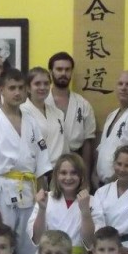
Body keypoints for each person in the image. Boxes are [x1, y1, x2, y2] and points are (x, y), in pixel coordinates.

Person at [0, 68, 52, 254]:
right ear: (1, 89)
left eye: (21, 88)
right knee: (1, 245)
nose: (17, 92)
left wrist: (41, 199)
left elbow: (42, 165)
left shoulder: (31, 122)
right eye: (12, 88)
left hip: (29, 191)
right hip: (2, 192)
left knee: (30, 246)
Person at [28, 153, 94, 254]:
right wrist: (42, 209)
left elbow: (90, 243)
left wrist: (85, 212)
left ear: (81, 176)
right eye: (63, 173)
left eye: (74, 173)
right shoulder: (45, 198)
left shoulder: (92, 201)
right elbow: (37, 239)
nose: (68, 178)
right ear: (56, 175)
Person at [45, 52, 96, 182]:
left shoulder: (83, 104)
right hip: (47, 165)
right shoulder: (41, 102)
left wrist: (85, 177)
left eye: (67, 69)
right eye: (59, 69)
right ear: (50, 71)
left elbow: (87, 142)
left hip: (75, 166)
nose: (63, 73)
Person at [21, 67, 68, 165]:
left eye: (46, 83)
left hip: (59, 168)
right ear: (28, 88)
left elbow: (64, 146)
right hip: (34, 168)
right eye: (37, 84)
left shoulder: (58, 113)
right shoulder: (21, 112)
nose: (42, 87)